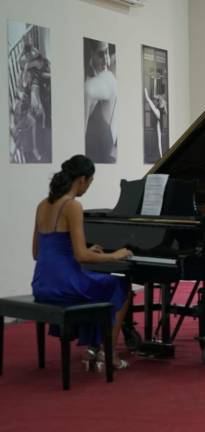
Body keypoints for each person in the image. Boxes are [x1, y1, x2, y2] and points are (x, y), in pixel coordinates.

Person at [31, 155, 133, 369]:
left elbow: (37, 252)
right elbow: (81, 257)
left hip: (41, 284)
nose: (88, 187)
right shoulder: (72, 206)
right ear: (82, 180)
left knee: (98, 285)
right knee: (120, 285)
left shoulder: (42, 205)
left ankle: (91, 349)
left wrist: (85, 250)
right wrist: (114, 255)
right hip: (64, 286)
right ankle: (108, 353)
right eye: (90, 182)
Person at [84, 39, 117, 163]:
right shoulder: (88, 80)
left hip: (105, 153)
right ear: (91, 53)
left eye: (107, 52)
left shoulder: (107, 78)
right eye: (101, 54)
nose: (106, 60)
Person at [144, 87, 168, 161]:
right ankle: (161, 156)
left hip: (158, 115)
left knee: (149, 101)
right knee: (159, 140)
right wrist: (164, 109)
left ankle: (161, 156)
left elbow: (154, 96)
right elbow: (166, 112)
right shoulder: (164, 101)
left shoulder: (160, 97)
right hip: (159, 117)